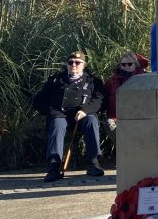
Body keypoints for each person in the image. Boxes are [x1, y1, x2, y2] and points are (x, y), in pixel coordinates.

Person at [33, 51, 106, 182]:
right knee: (57, 124)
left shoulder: (93, 81)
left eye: (77, 62)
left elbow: (99, 100)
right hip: (60, 115)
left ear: (84, 65)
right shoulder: (55, 80)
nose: (73, 65)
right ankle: (54, 167)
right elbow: (38, 101)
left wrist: (85, 110)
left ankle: (93, 163)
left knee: (91, 120)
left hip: (82, 115)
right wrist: (52, 112)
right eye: (70, 62)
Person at [103, 50, 149, 131]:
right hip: (115, 119)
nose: (126, 66)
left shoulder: (144, 79)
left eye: (129, 64)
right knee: (110, 126)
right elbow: (103, 95)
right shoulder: (113, 80)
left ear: (136, 64)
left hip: (138, 118)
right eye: (123, 64)